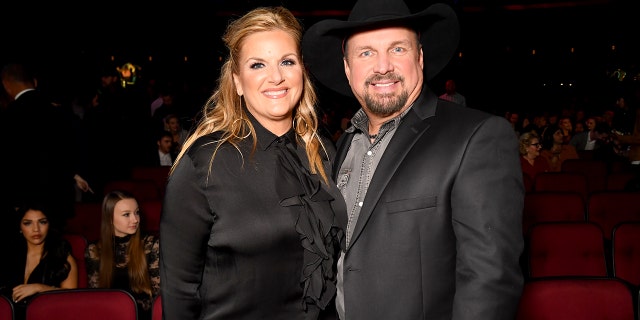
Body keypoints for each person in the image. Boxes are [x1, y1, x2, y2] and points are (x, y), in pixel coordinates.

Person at [302, 0, 524, 319]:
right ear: (348, 68)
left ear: (419, 57)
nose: (382, 66)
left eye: (398, 49)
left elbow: (490, 282)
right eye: (366, 52)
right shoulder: (345, 144)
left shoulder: (477, 136)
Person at [159, 6, 345, 320]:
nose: (276, 76)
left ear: (303, 71)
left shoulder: (323, 151)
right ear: (237, 81)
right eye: (257, 64)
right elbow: (179, 292)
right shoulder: (204, 163)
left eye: (287, 61)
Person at [0, 63, 77, 232]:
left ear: (6, 84)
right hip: (58, 202)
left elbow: (7, 166)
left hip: (23, 206)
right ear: (34, 82)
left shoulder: (7, 118)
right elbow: (70, 157)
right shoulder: (59, 113)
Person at [85, 190, 160, 320]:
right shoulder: (95, 250)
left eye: (137, 213)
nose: (135, 219)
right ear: (109, 219)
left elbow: (158, 298)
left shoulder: (150, 245)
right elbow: (96, 298)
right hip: (111, 315)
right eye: (126, 214)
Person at [0, 201, 78, 320]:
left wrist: (40, 288)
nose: (36, 229)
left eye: (42, 222)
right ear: (20, 227)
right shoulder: (9, 255)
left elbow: (73, 298)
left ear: (49, 224)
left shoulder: (62, 256)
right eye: (28, 223)